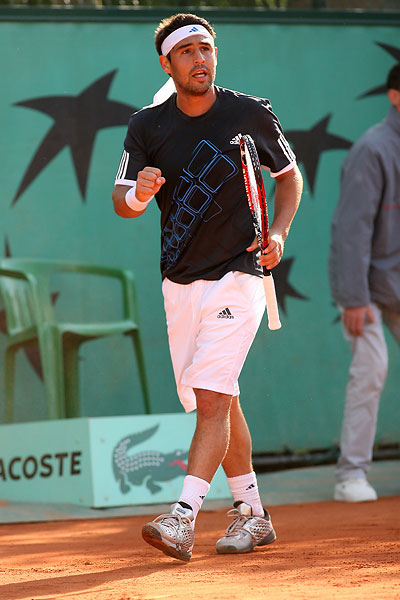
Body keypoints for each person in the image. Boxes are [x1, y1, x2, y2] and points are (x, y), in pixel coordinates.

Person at [112, 12, 302, 561]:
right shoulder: (145, 126)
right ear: (167, 64)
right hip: (180, 281)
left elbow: (287, 176)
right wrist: (140, 192)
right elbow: (122, 202)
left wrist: (279, 232)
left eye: (207, 48)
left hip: (240, 274)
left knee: (213, 397)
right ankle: (254, 513)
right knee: (216, 397)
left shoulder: (250, 113)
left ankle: (182, 516)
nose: (201, 58)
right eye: (188, 51)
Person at [329, 63, 400, 503]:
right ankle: (350, 476)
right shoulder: (372, 149)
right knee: (372, 369)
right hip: (367, 288)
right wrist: (354, 298)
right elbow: (351, 230)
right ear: (395, 96)